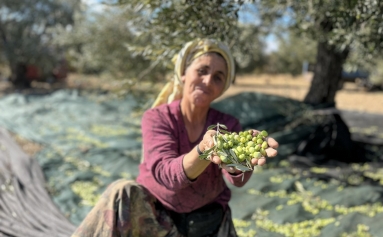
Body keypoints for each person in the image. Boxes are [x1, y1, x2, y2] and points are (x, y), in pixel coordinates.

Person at [71, 38, 279, 237]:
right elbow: (166, 174)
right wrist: (205, 150)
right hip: (155, 222)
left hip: (206, 226)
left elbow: (238, 179)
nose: (207, 81)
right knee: (121, 190)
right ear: (183, 75)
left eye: (217, 77)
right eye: (202, 71)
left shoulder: (227, 125)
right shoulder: (158, 118)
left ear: (222, 87)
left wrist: (239, 164)